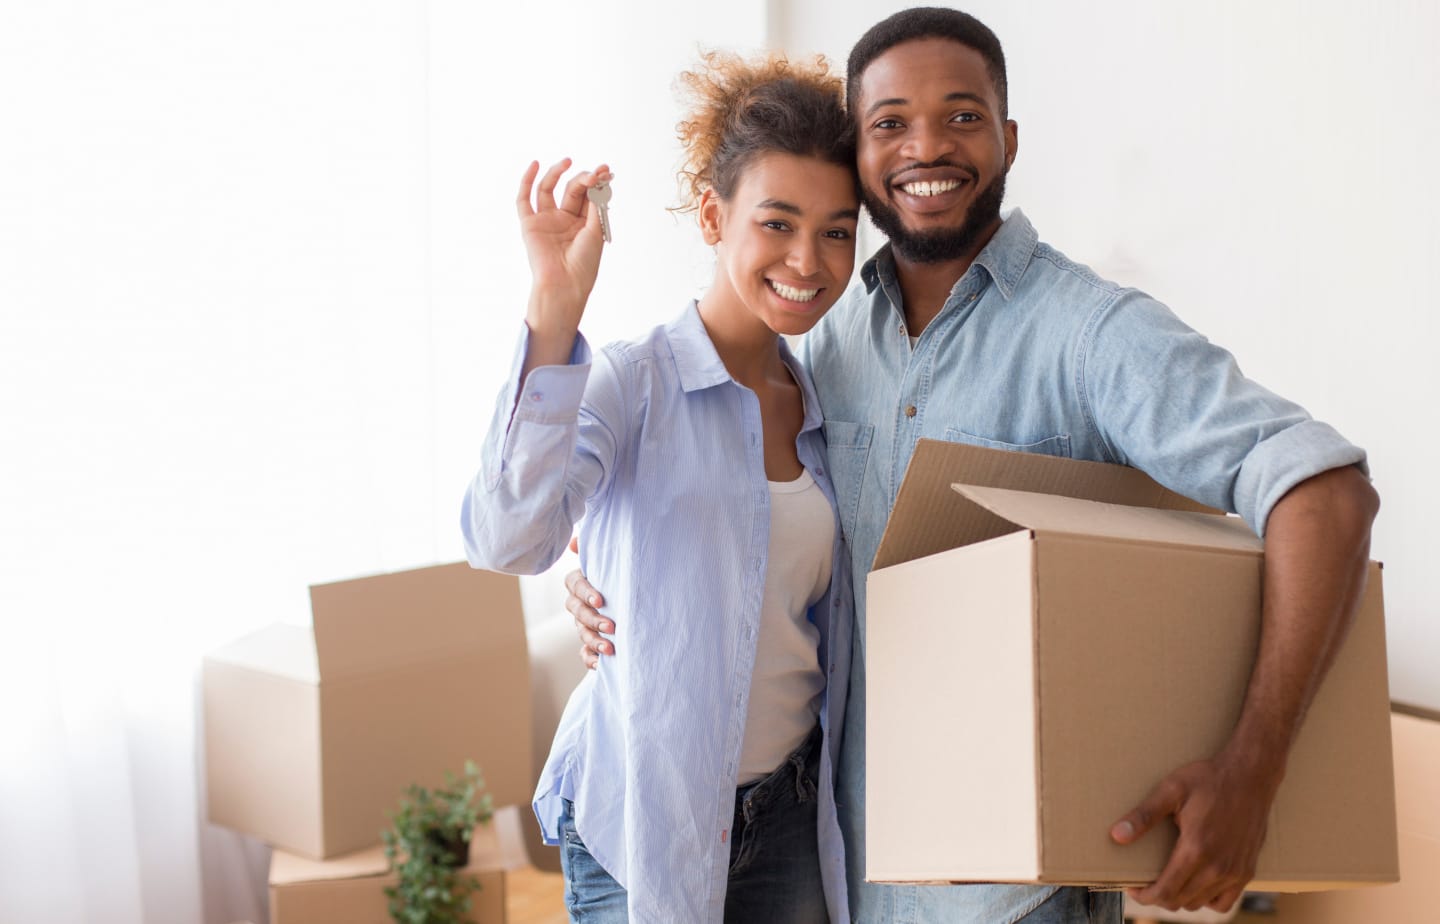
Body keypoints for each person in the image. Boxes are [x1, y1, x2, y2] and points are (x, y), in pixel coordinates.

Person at [565, 8, 1380, 924]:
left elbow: (1322, 489)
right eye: (889, 124)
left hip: (1017, 898)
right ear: (859, 154)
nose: (927, 148)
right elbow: (732, 506)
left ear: (1008, 139)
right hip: (846, 878)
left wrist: (1254, 770)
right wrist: (597, 569)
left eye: (962, 116)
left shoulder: (1091, 335)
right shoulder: (824, 341)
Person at [461, 52, 863, 924]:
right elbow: (509, 540)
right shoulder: (628, 383)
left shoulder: (831, 401)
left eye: (837, 229)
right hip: (642, 818)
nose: (809, 258)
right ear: (714, 215)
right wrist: (553, 309)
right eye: (779, 222)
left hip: (791, 815)